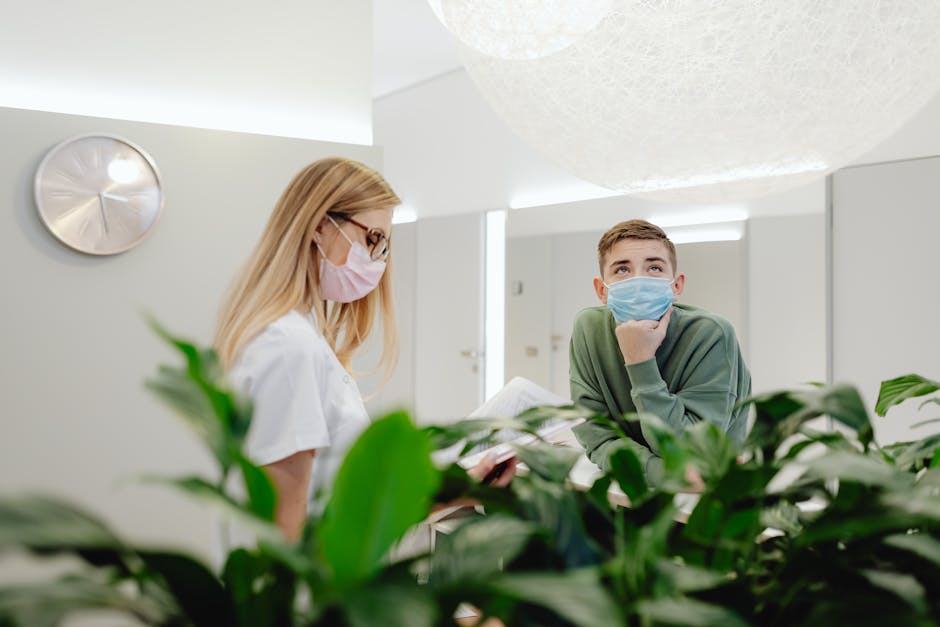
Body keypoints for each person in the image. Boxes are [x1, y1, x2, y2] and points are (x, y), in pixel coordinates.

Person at [214, 157, 509, 541]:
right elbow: (286, 532)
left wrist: (460, 489)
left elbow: (345, 508)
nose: (378, 261)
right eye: (372, 239)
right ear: (319, 225)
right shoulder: (289, 347)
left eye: (384, 246)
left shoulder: (302, 337)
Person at [570, 219, 751, 488]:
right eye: (622, 269)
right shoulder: (589, 328)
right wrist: (664, 472)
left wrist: (639, 361)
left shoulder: (711, 334)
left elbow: (692, 452)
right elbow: (596, 436)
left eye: (654, 267)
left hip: (706, 503)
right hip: (634, 497)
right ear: (601, 290)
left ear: (676, 285)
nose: (639, 280)